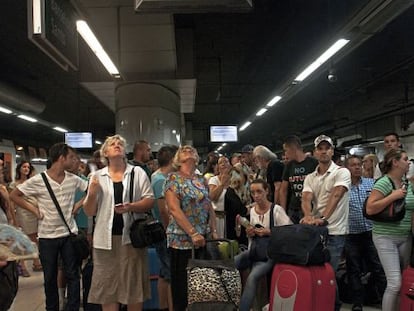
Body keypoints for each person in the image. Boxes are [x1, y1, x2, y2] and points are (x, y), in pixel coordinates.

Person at [10, 143, 88, 311]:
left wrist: (78, 205)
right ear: (61, 158)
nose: (75, 161)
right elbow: (14, 195)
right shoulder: (38, 180)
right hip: (47, 236)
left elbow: (90, 191)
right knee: (50, 277)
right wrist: (35, 210)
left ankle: (72, 307)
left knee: (73, 274)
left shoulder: (74, 179)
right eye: (72, 157)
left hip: (69, 234)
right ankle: (51, 308)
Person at [83, 134, 154, 311]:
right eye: (112, 144)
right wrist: (91, 193)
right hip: (104, 242)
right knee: (107, 287)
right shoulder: (96, 176)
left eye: (120, 144)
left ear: (124, 151)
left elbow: (149, 200)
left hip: (131, 240)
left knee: (133, 287)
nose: (117, 145)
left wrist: (131, 206)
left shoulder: (137, 173)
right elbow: (89, 211)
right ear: (105, 153)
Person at [164, 145, 218, 311]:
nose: (188, 150)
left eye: (192, 150)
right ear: (178, 159)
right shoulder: (172, 179)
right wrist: (192, 232)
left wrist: (213, 230)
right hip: (181, 240)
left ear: (197, 157)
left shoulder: (201, 180)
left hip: (202, 239)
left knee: (201, 285)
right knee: (182, 287)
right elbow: (174, 209)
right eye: (183, 150)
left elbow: (209, 206)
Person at [301, 134, 351, 311]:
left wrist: (323, 218)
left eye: (327, 148)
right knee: (321, 273)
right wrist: (307, 215)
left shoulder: (342, 172)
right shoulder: (310, 177)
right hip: (316, 231)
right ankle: (328, 305)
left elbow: (336, 195)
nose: (323, 151)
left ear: (332, 151)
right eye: (320, 148)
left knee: (328, 272)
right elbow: (306, 198)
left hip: (335, 231)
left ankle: (332, 307)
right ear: (315, 152)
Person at [365, 148, 413, 311]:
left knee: (402, 282)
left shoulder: (406, 182)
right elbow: (370, 208)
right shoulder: (384, 182)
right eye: (406, 159)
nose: (409, 162)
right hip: (385, 237)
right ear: (395, 162)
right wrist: (393, 196)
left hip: (405, 237)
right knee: (394, 283)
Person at [235, 179, 291, 311]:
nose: (256, 195)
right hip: (254, 250)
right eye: (253, 192)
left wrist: (269, 232)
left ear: (267, 191)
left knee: (252, 277)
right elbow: (248, 236)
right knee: (229, 266)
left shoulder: (276, 210)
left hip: (269, 253)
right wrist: (250, 232)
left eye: (259, 191)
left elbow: (289, 232)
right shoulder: (252, 210)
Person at [344, 155, 386, 311]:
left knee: (377, 267)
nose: (357, 167)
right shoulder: (343, 187)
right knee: (353, 269)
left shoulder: (371, 184)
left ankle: (385, 299)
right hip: (351, 235)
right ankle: (357, 303)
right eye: (353, 165)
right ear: (347, 168)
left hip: (371, 232)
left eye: (359, 164)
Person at [151, 145, 178, 311]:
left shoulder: (159, 176)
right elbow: (163, 210)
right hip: (166, 232)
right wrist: (171, 233)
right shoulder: (161, 180)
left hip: (163, 231)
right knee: (171, 274)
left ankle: (163, 306)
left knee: (164, 272)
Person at [8, 161, 42, 277]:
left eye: (28, 167)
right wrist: (13, 218)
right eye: (24, 167)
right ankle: (25, 265)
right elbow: (11, 203)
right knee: (27, 239)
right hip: (23, 213)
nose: (26, 169)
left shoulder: (32, 182)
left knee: (32, 238)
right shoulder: (14, 184)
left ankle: (34, 262)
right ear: (19, 169)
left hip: (34, 211)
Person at [279, 135, 318, 224]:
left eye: (286, 150)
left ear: (293, 148)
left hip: (310, 208)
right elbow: (283, 190)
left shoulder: (313, 163)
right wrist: (283, 211)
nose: (285, 154)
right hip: (293, 208)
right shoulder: (289, 166)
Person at [225, 163, 251, 246]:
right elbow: (242, 210)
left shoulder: (246, 190)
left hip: (245, 229)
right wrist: (252, 207)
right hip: (235, 229)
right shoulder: (230, 192)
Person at [209, 156, 232, 238]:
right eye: (220, 163)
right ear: (217, 167)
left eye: (226, 161)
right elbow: (212, 197)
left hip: (232, 218)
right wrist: (222, 184)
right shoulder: (214, 180)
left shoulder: (235, 179)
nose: (223, 164)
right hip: (218, 218)